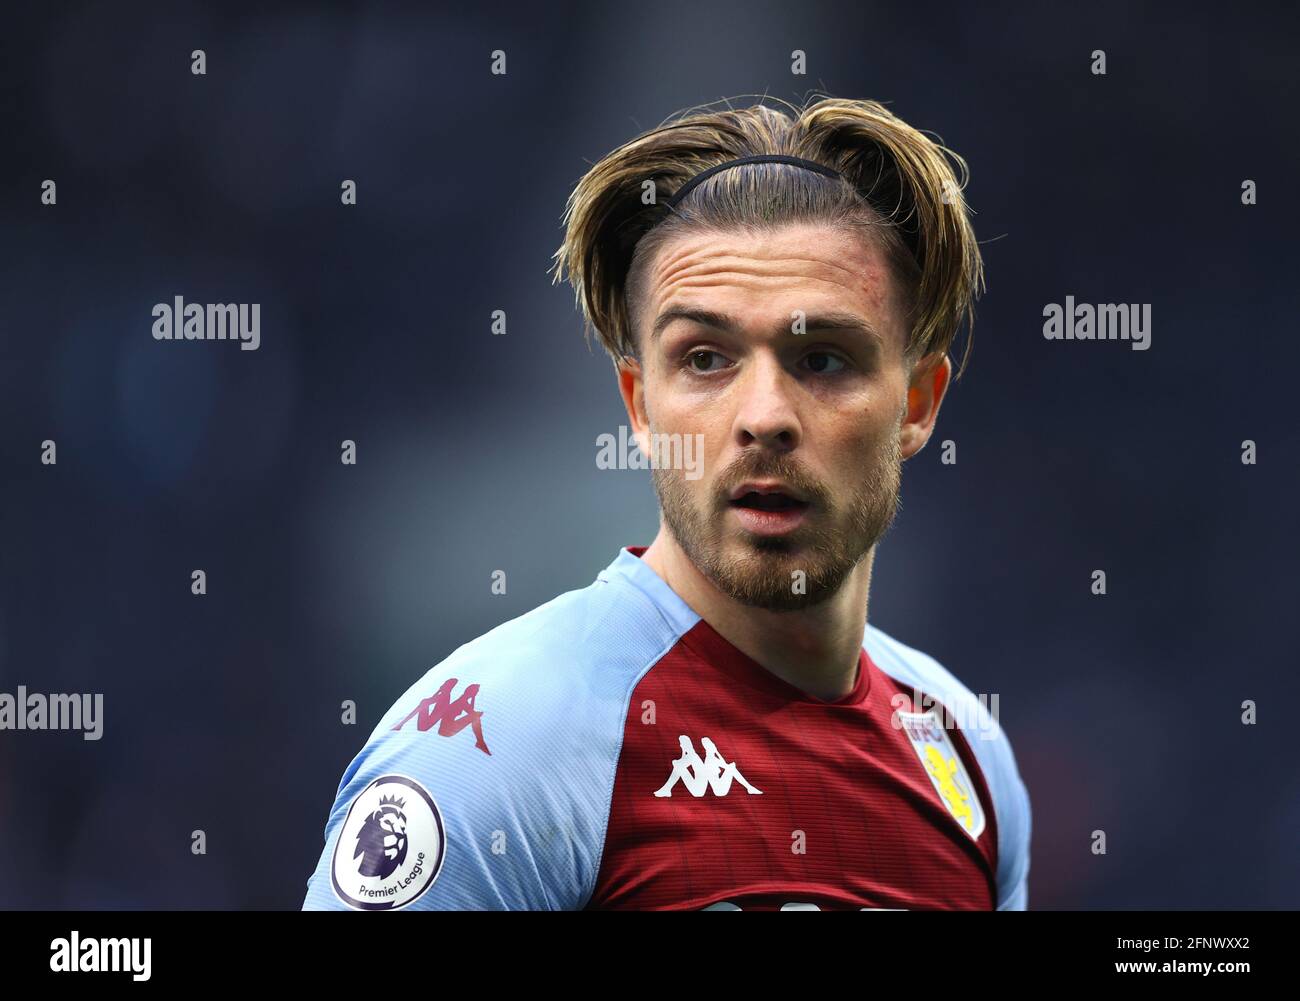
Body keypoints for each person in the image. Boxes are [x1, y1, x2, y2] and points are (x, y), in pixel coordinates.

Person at [303, 95, 1031, 911]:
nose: (764, 417)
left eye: (823, 359)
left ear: (919, 403)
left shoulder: (968, 754)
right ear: (641, 406)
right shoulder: (494, 746)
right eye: (707, 358)